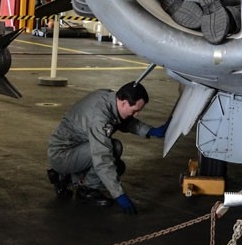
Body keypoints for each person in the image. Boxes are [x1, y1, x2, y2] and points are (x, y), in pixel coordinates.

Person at [45, 82, 167, 213]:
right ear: (124, 103)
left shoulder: (110, 98)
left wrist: (150, 131)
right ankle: (87, 190)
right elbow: (102, 158)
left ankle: (64, 177)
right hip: (62, 155)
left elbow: (122, 120)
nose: (136, 114)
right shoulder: (100, 118)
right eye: (135, 111)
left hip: (73, 148)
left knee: (117, 163)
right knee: (113, 150)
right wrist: (119, 194)